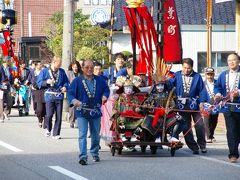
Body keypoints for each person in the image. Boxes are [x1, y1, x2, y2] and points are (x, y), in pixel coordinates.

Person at [67, 59, 110, 165]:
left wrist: (105, 95)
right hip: (82, 111)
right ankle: (83, 156)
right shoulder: (77, 81)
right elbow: (70, 93)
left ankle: (95, 153)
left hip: (95, 110)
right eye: (87, 67)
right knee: (82, 134)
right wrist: (74, 100)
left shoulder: (100, 80)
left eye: (91, 67)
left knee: (95, 134)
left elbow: (106, 89)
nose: (89, 69)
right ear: (82, 68)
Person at [169, 58, 207, 154]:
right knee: (186, 127)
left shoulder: (197, 76)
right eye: (184, 68)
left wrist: (202, 101)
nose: (186, 70)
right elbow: (169, 85)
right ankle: (194, 147)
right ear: (182, 67)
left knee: (200, 125)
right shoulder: (176, 75)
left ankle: (202, 145)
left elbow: (202, 90)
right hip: (181, 106)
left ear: (192, 67)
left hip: (194, 104)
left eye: (188, 68)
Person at [214, 53, 240, 163]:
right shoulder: (223, 75)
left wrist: (238, 92)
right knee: (231, 130)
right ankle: (233, 154)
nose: (231, 62)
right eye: (229, 60)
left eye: (233, 60)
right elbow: (217, 86)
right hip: (228, 108)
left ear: (238, 61)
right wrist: (218, 94)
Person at [37, 56, 69, 139]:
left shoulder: (61, 71)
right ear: (53, 62)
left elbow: (66, 82)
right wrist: (46, 82)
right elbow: (39, 82)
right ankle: (48, 128)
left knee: (59, 116)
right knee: (49, 114)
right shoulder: (44, 71)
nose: (58, 67)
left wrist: (65, 87)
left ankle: (56, 133)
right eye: (57, 65)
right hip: (49, 95)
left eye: (60, 66)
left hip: (59, 95)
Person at [203, 67, 219, 143]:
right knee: (207, 120)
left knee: (214, 121)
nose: (210, 76)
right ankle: (208, 136)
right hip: (206, 104)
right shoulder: (203, 84)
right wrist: (204, 103)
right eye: (208, 74)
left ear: (214, 74)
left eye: (211, 74)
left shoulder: (217, 83)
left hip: (216, 105)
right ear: (205, 75)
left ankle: (211, 135)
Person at [28, 61, 46, 128]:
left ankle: (44, 119)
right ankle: (40, 119)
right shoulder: (32, 72)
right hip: (36, 91)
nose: (40, 66)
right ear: (36, 66)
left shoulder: (44, 72)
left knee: (44, 107)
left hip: (43, 91)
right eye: (39, 65)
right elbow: (29, 80)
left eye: (41, 64)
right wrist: (30, 85)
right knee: (39, 108)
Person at [66, 61, 82, 128]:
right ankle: (71, 121)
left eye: (76, 67)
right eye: (74, 67)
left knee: (79, 107)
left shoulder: (81, 74)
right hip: (71, 93)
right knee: (72, 107)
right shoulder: (68, 73)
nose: (75, 68)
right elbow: (66, 82)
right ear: (72, 67)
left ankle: (78, 120)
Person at [0, 56, 13, 122]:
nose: (11, 62)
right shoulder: (0, 68)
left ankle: (6, 112)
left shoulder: (10, 68)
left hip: (8, 86)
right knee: (1, 101)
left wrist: (13, 85)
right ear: (6, 61)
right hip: (1, 87)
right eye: (10, 61)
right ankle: (1, 117)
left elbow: (11, 78)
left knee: (10, 102)